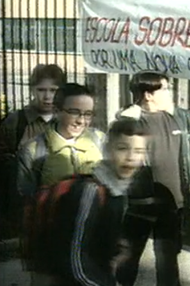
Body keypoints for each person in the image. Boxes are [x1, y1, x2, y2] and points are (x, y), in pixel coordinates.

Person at [116, 71, 190, 286]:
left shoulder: (178, 117)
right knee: (126, 262)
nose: (171, 92)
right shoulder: (129, 122)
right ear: (148, 94)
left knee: (168, 262)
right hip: (138, 207)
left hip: (173, 206)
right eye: (165, 88)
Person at [30, 119, 148, 286]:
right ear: (107, 150)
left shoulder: (118, 191)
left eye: (139, 151)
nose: (131, 157)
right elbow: (74, 261)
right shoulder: (90, 192)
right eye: (122, 148)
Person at [17, 83, 105, 286]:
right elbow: (26, 203)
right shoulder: (33, 150)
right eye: (74, 112)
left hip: (92, 243)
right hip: (51, 244)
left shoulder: (101, 142)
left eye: (88, 113)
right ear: (56, 110)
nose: (82, 120)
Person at [0, 64, 66, 239]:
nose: (47, 96)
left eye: (53, 90)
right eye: (41, 90)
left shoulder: (67, 121)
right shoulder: (15, 122)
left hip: (59, 202)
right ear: (32, 90)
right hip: (23, 204)